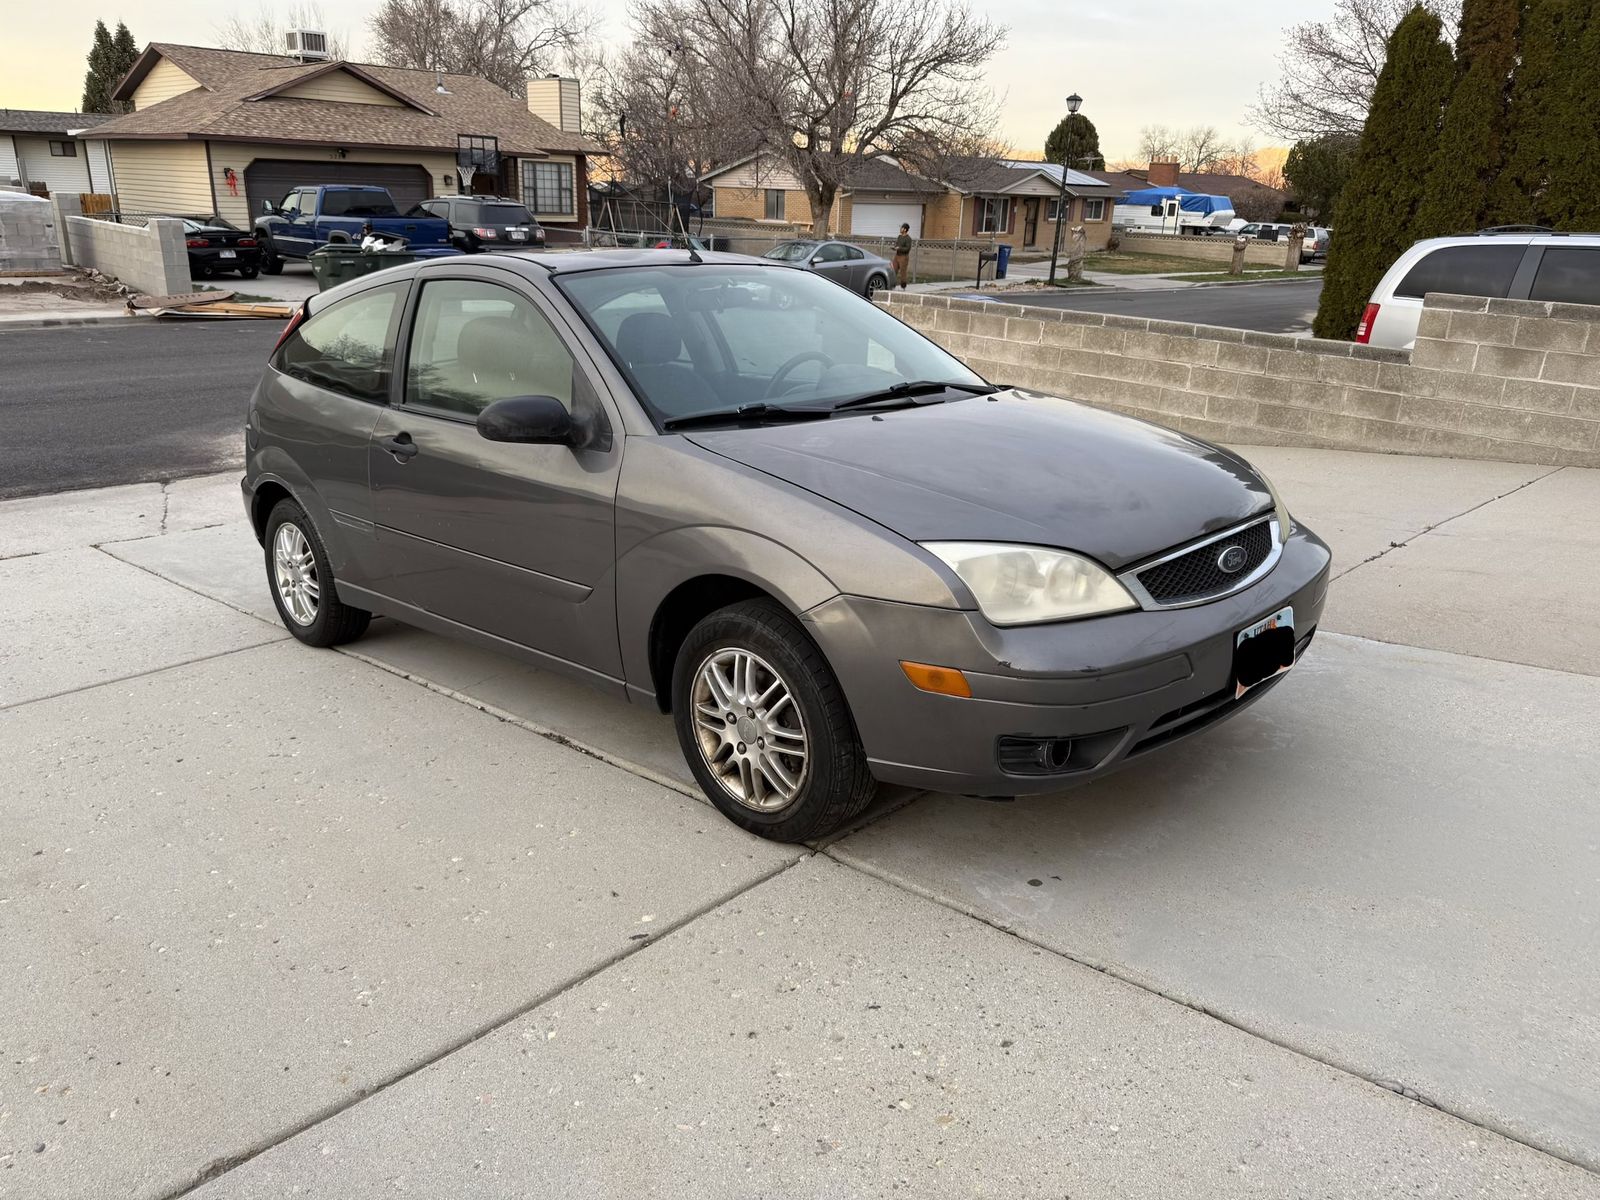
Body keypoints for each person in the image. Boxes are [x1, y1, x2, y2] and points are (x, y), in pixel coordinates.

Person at [892, 223, 913, 289]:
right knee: (893, 270)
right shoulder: (899, 236)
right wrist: (895, 247)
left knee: (903, 272)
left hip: (904, 257)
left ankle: (903, 286)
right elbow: (897, 244)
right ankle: (892, 284)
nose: (900, 229)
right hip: (897, 256)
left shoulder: (908, 238)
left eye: (902, 228)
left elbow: (907, 248)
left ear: (905, 229)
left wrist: (899, 248)